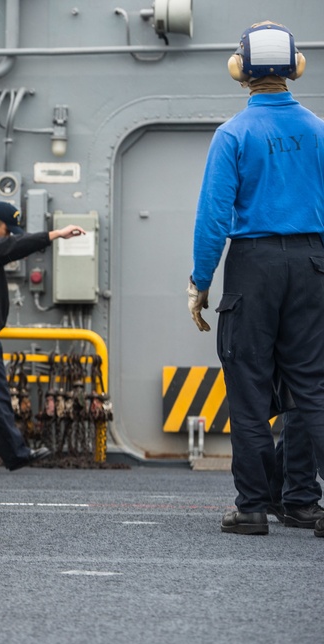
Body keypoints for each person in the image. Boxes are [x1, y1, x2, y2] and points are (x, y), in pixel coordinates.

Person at [187, 21, 324, 536]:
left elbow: (213, 217)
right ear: (294, 69)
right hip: (313, 263)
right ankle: (305, 503)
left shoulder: (234, 134)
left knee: (247, 389)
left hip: (253, 264)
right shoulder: (318, 130)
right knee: (312, 388)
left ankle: (251, 508)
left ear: (241, 70)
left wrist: (200, 282)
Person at [0, 202, 83, 474]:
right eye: (7, 230)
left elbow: (6, 248)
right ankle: (16, 453)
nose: (9, 237)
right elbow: (10, 248)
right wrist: (54, 234)